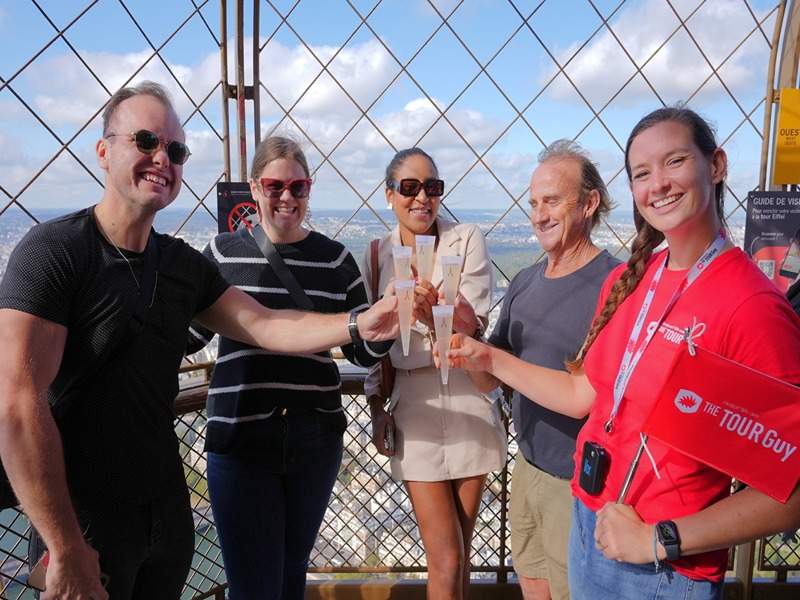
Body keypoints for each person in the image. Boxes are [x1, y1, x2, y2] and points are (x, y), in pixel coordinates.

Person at [0, 82, 397, 600]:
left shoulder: (184, 266)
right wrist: (64, 543)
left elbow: (265, 325)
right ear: (103, 150)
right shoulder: (53, 253)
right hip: (87, 519)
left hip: (165, 514)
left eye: (175, 150)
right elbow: (18, 405)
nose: (162, 158)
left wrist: (357, 325)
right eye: (145, 141)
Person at [442, 107, 800, 599]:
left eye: (674, 161)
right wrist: (488, 358)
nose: (659, 184)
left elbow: (790, 492)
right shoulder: (631, 282)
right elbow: (579, 393)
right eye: (642, 173)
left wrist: (660, 540)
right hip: (592, 526)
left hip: (662, 565)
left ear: (715, 166)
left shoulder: (752, 307)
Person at [185, 136, 393, 600]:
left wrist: (389, 329)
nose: (286, 198)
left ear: (309, 190)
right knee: (254, 581)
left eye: (298, 188)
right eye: (276, 186)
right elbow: (190, 337)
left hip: (312, 438)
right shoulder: (221, 255)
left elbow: (361, 351)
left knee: (290, 569)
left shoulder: (336, 260)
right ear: (255, 189)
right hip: (242, 439)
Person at [462, 140, 619, 600]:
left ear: (589, 204)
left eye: (552, 200)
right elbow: (490, 379)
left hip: (581, 483)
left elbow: (585, 393)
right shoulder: (527, 280)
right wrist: (467, 346)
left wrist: (489, 358)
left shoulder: (616, 284)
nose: (538, 214)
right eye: (534, 202)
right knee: (533, 584)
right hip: (528, 467)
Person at [362, 147, 507, 600]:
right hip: (415, 403)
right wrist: (376, 408)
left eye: (432, 187)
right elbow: (373, 346)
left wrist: (435, 312)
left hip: (467, 394)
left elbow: (475, 322)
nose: (422, 197)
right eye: (409, 187)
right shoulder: (375, 254)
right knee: (443, 557)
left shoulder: (466, 239)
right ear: (390, 195)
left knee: (459, 556)